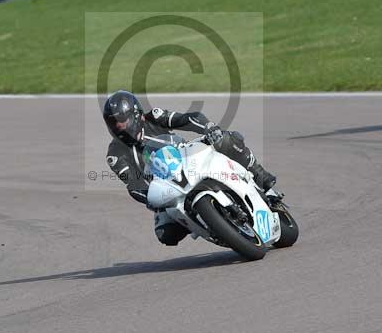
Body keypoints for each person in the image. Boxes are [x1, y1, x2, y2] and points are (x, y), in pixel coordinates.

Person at [102, 90, 278, 246]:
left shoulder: (154, 117)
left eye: (121, 120)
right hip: (166, 187)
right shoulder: (115, 154)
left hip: (188, 159)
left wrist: (208, 128)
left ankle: (261, 177)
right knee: (166, 234)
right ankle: (215, 227)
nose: (117, 126)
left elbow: (185, 119)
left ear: (134, 114)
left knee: (224, 139)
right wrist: (149, 197)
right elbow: (132, 183)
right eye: (112, 122)